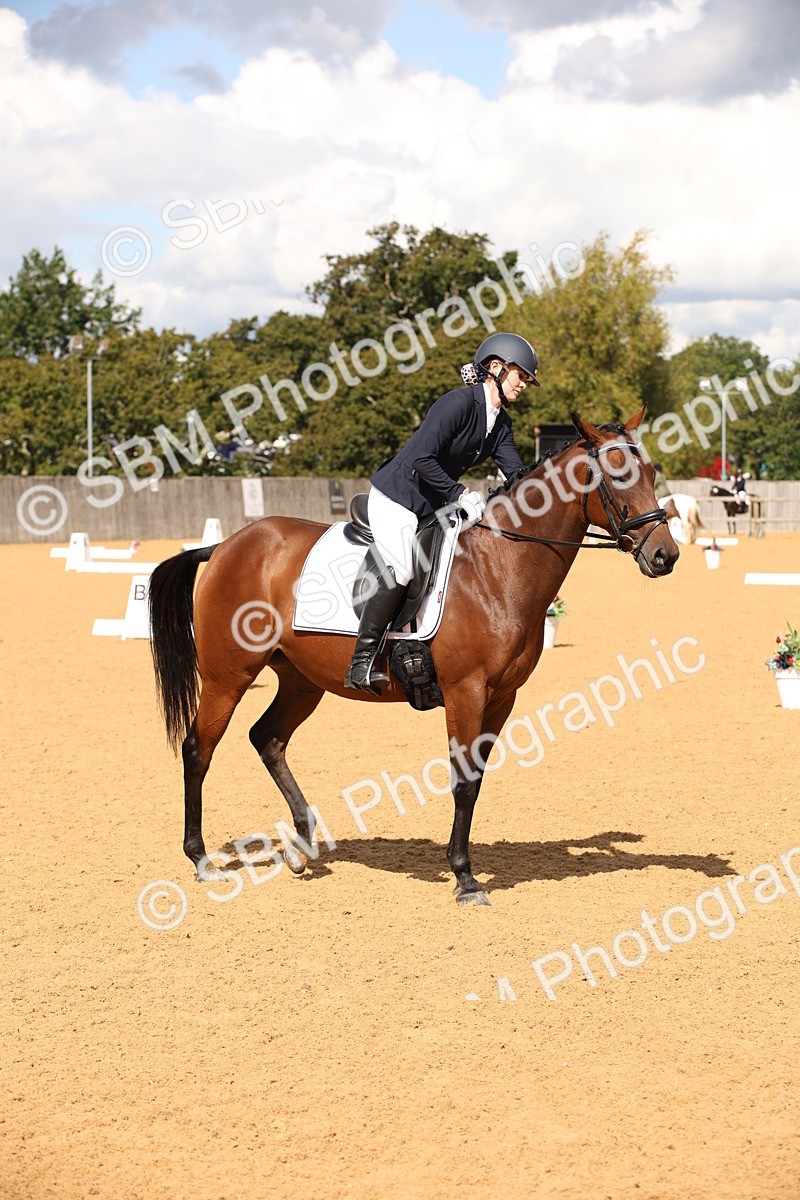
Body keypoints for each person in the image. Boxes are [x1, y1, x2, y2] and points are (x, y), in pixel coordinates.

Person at [344, 331, 540, 694]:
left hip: (435, 503)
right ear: (495, 368)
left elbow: (517, 475)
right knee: (403, 564)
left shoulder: (501, 425)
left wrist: (550, 482)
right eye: (520, 375)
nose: (524, 383)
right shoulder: (457, 404)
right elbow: (421, 457)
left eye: (527, 379)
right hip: (397, 495)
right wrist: (460, 492)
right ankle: (362, 659)